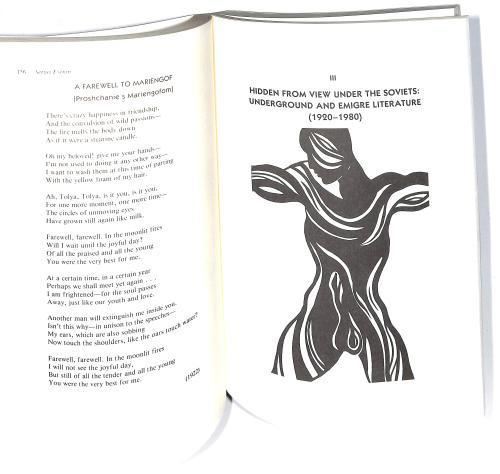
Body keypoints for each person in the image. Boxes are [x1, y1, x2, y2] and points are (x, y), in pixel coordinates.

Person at [251, 128, 429, 383]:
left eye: (315, 157)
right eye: (309, 158)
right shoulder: (306, 184)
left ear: (333, 153)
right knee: (286, 374)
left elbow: (423, 187)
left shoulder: (382, 195)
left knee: (393, 381)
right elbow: (266, 180)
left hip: (366, 313)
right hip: (323, 311)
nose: (311, 165)